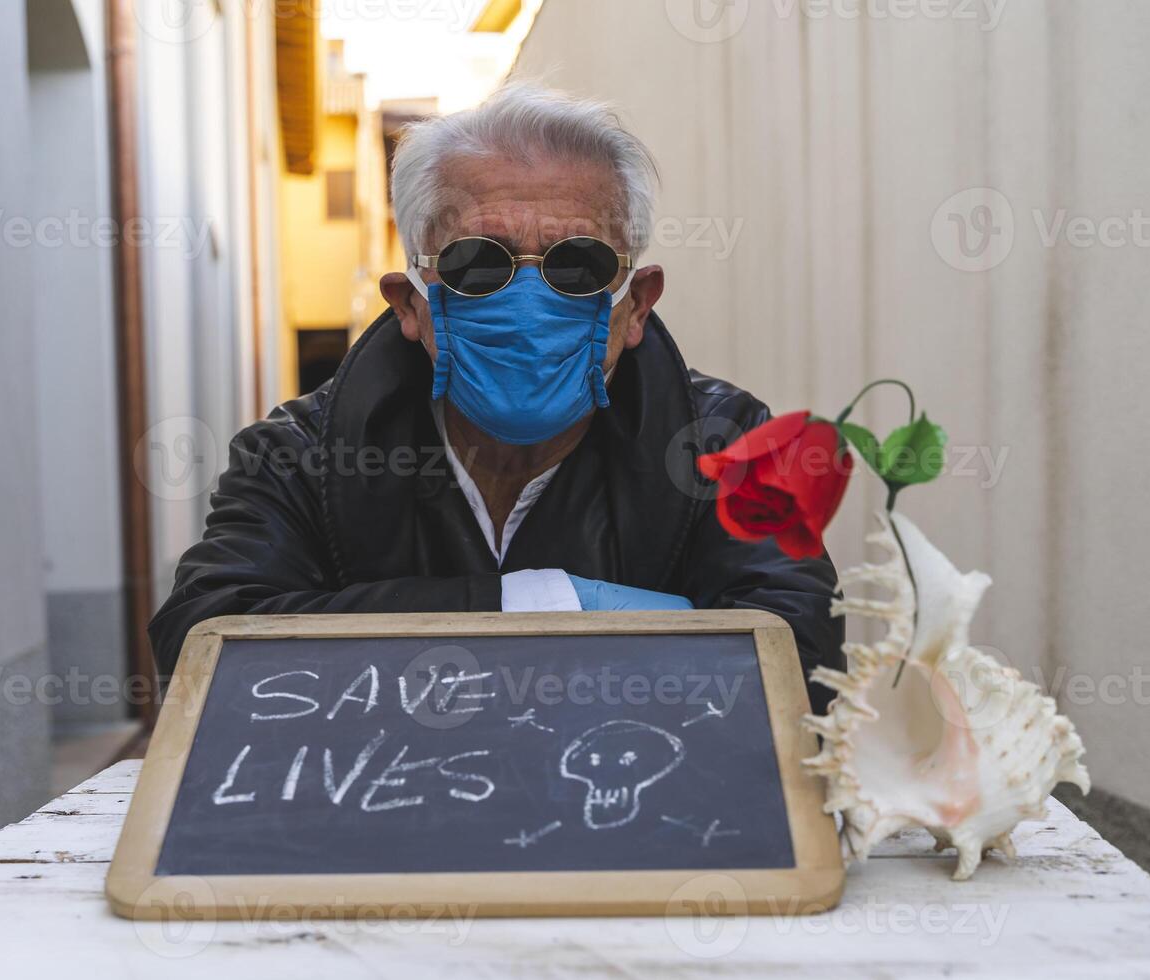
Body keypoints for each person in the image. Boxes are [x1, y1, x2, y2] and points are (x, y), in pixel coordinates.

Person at [148, 83, 843, 707]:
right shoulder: (298, 457)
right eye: (479, 264)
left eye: (578, 264)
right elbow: (206, 645)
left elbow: (799, 662)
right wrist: (557, 604)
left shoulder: (726, 445)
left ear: (636, 306)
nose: (528, 300)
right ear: (411, 305)